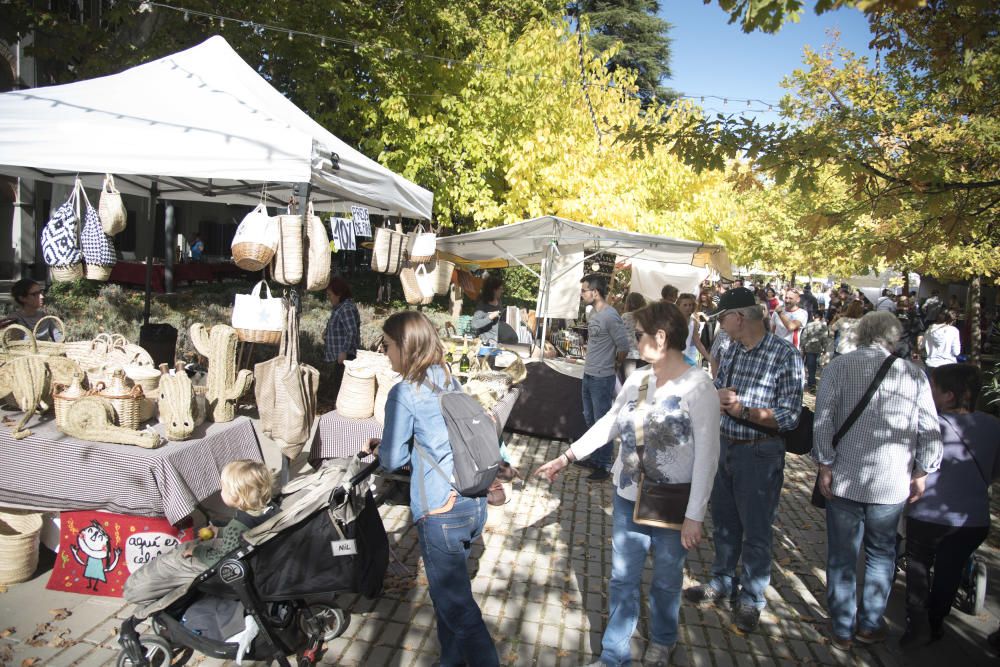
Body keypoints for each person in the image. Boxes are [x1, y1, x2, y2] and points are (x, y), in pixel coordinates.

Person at [534, 301, 720, 667]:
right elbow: (609, 423)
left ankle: (663, 641)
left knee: (666, 581)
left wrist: (696, 515)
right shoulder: (639, 379)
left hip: (672, 504)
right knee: (622, 579)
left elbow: (708, 457)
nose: (634, 341)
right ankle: (613, 655)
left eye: (639, 335)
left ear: (661, 337)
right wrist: (567, 456)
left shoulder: (699, 388)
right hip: (627, 497)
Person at [370, 311, 498, 666]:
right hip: (473, 502)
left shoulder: (404, 392)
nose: (386, 352)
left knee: (457, 609)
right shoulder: (447, 377)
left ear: (406, 347)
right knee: (450, 601)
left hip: (440, 510)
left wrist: (383, 446)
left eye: (388, 345)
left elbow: (393, 460)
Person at [812, 312, 943, 650]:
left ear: (861, 333)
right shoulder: (914, 374)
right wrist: (922, 472)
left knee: (842, 554)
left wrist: (825, 463)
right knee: (881, 553)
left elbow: (823, 420)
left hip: (845, 478)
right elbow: (930, 429)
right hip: (891, 481)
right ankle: (869, 625)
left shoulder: (838, 367)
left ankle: (841, 628)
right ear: (894, 337)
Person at [684, 287, 804, 633]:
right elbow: (718, 386)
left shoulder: (785, 355)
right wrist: (715, 395)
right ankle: (722, 581)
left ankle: (751, 598)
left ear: (739, 317)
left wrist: (745, 411)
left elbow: (790, 416)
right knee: (724, 522)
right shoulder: (732, 348)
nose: (720, 324)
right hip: (725, 446)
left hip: (759, 452)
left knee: (756, 529)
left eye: (723, 318)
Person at [903, 364, 1000, 646]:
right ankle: (935, 621)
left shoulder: (929, 424)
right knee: (951, 569)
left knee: (918, 567)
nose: (928, 393)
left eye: (933, 388)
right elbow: (994, 471)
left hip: (928, 513)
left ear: (948, 395)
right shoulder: (994, 426)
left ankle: (917, 624)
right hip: (973, 519)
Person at [124, 460, 276, 604]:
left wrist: (196, 551)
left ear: (236, 495)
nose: (221, 491)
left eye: (223, 488)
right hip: (256, 559)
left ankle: (137, 591)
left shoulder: (239, 525)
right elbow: (242, 536)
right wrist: (221, 531)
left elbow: (220, 559)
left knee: (175, 558)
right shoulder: (268, 511)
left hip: (222, 568)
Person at [579, 274, 632, 482]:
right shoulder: (593, 313)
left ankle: (604, 464)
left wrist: (615, 364)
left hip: (603, 376)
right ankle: (595, 458)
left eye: (584, 290)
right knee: (590, 418)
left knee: (603, 421)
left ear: (595, 292)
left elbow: (624, 346)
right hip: (589, 373)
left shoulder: (611, 316)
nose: (582, 294)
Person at [323, 277, 361, 406]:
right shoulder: (340, 307)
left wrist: (343, 351)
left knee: (339, 387)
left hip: (346, 356)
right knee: (336, 385)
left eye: (330, 295)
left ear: (338, 294)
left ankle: (339, 412)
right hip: (341, 355)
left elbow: (351, 331)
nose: (329, 298)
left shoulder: (346, 308)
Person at [471, 275, 514, 344]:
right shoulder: (482, 305)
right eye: (500, 289)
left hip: (499, 341)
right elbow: (474, 324)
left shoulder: (499, 301)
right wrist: (490, 317)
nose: (502, 291)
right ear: (493, 290)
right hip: (486, 342)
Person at [676, 292, 711, 367]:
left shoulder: (693, 322)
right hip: (671, 359)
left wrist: (709, 358)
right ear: (678, 306)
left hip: (686, 358)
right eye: (685, 305)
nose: (688, 307)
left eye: (690, 305)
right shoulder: (672, 320)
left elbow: (698, 343)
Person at [800, 310, 831, 392]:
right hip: (818, 349)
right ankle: (812, 382)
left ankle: (811, 383)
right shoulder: (824, 327)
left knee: (810, 366)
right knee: (815, 366)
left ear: (813, 317)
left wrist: (802, 346)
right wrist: (825, 349)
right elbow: (825, 339)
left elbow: (803, 337)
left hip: (809, 348)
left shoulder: (809, 325)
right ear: (821, 317)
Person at [620, 292, 647, 380]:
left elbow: (620, 336)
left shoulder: (625, 316)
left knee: (630, 384)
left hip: (629, 355)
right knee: (640, 384)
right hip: (643, 355)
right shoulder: (646, 317)